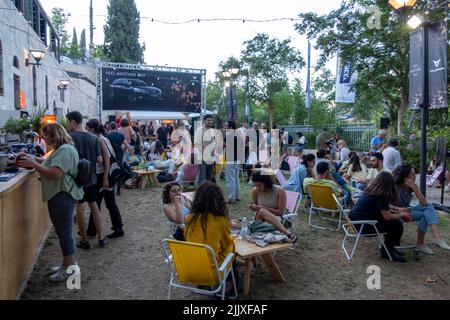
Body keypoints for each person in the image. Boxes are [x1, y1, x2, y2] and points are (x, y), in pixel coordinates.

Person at [17, 123, 84, 282]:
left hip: (62, 194)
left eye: (45, 135)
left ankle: (69, 268)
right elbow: (52, 164)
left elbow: (55, 173)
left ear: (54, 135)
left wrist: (33, 164)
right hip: (62, 194)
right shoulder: (63, 149)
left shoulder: (65, 150)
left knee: (64, 232)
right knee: (64, 232)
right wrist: (35, 159)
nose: (43, 138)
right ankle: (67, 264)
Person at [66, 111, 108, 249]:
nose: (67, 125)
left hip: (76, 179)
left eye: (68, 122)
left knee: (80, 209)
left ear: (73, 122)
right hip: (91, 178)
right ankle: (101, 238)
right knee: (95, 207)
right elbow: (99, 159)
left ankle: (84, 240)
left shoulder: (69, 138)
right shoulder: (94, 138)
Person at [349, 172, 409, 262]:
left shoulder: (372, 190)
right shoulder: (381, 195)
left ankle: (389, 248)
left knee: (391, 222)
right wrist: (402, 214)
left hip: (355, 222)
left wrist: (398, 209)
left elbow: (383, 207)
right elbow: (387, 216)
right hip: (363, 226)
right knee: (396, 224)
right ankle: (388, 251)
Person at [392, 165, 450, 254]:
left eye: (415, 174)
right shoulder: (393, 186)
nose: (415, 176)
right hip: (395, 212)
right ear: (405, 176)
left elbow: (424, 203)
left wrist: (415, 188)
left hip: (407, 210)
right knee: (425, 213)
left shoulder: (410, 187)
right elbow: (386, 205)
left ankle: (436, 239)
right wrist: (400, 210)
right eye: (412, 174)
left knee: (428, 207)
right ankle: (423, 242)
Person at [85, 119, 124, 239]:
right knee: (103, 202)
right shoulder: (103, 138)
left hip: (103, 175)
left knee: (98, 203)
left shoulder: (100, 140)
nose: (85, 130)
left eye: (87, 128)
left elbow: (107, 160)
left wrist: (105, 178)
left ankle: (94, 230)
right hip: (104, 175)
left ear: (92, 129)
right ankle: (113, 228)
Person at [184, 182, 235, 268]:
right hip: (212, 272)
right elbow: (227, 243)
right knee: (232, 245)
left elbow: (186, 237)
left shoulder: (189, 218)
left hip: (190, 268)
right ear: (219, 200)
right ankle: (230, 278)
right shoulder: (221, 220)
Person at [250, 172, 298, 242]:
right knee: (261, 212)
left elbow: (281, 212)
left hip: (279, 218)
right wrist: (255, 208)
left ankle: (282, 235)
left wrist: (261, 208)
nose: (257, 187)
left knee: (262, 211)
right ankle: (285, 235)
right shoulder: (255, 191)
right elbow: (257, 209)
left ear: (266, 182)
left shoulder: (279, 191)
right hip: (262, 218)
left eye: (259, 185)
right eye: (256, 185)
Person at [106, 122, 128, 195]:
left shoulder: (107, 136)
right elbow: (126, 145)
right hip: (119, 154)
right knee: (120, 170)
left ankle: (111, 187)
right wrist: (123, 151)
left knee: (111, 170)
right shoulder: (120, 135)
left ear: (109, 127)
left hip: (111, 155)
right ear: (116, 127)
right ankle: (118, 188)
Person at [195, 115, 217, 184]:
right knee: (201, 177)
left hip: (211, 158)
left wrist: (213, 150)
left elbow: (214, 142)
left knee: (209, 178)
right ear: (204, 121)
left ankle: (207, 193)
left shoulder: (212, 131)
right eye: (208, 120)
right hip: (202, 158)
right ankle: (199, 193)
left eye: (211, 120)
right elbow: (197, 143)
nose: (210, 122)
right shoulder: (199, 130)